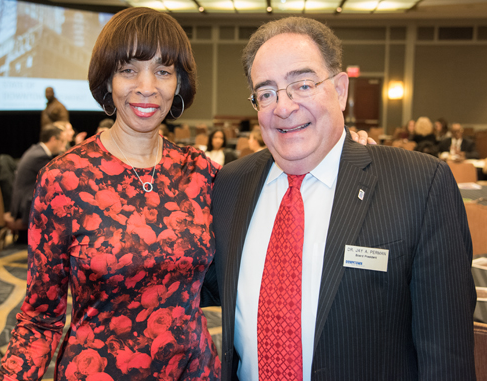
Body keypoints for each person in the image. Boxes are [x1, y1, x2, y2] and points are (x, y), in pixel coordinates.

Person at [203, 17, 476, 381]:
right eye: (266, 93)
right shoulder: (229, 185)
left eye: (302, 85)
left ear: (341, 90)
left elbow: (446, 356)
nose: (283, 107)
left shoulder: (419, 185)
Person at [0, 8, 221, 381]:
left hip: (195, 371)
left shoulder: (201, 173)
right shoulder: (64, 179)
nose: (147, 86)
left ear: (179, 83)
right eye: (129, 69)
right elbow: (39, 318)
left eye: (163, 71)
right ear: (108, 79)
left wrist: (349, 154)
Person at [6, 124, 67, 243]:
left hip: (22, 200)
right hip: (25, 205)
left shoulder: (36, 149)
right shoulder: (40, 156)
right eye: (62, 141)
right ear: (53, 139)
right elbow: (59, 178)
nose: (62, 145)